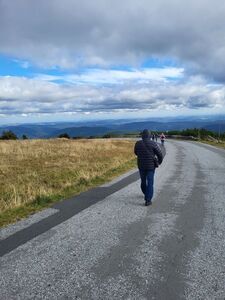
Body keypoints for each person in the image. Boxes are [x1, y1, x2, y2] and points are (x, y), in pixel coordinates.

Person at [134, 129, 163, 206]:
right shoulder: (153, 143)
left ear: (142, 136)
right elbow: (160, 154)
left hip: (141, 165)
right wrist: (159, 162)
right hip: (151, 166)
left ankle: (146, 193)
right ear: (150, 136)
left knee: (143, 181)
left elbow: (136, 152)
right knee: (150, 182)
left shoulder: (138, 143)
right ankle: (148, 200)